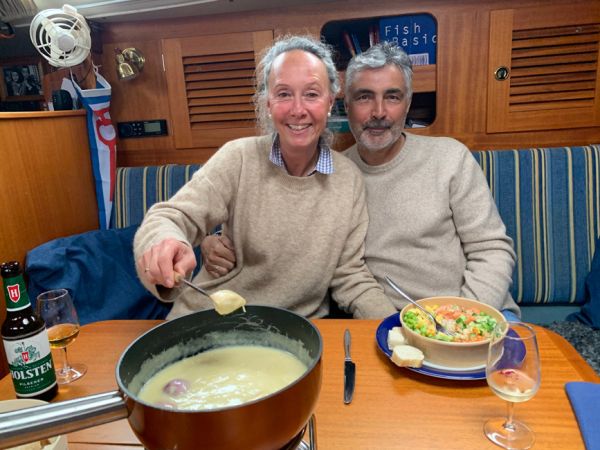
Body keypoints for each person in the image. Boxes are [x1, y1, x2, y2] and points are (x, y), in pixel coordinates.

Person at [202, 41, 520, 320]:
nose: (379, 112)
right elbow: (283, 224)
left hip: (478, 312)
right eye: (365, 97)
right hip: (385, 323)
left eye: (392, 97)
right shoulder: (331, 175)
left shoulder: (451, 158)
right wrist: (218, 240)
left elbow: (492, 249)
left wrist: (464, 322)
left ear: (408, 103)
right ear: (345, 105)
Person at [134, 35, 397, 320]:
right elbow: (170, 217)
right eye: (284, 94)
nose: (298, 110)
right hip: (211, 318)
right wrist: (166, 243)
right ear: (268, 103)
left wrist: (396, 329)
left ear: (330, 102)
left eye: (311, 94)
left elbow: (351, 276)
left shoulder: (349, 180)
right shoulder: (238, 157)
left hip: (294, 332)